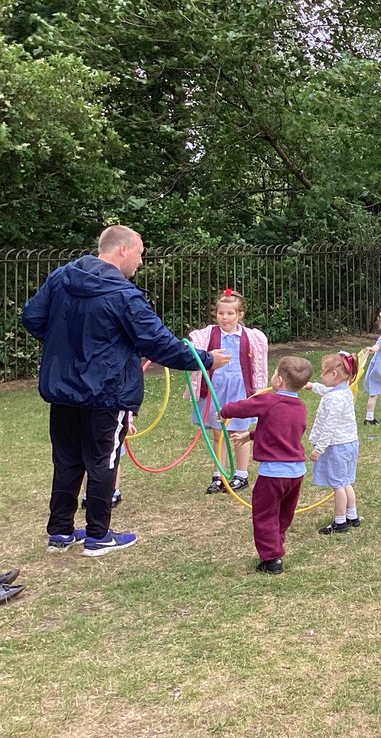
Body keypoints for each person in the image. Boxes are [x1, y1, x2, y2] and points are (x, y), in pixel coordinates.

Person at [22, 225, 230, 557]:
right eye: (140, 253)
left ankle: (60, 532)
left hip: (64, 389)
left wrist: (66, 348)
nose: (140, 261)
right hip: (106, 392)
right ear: (122, 250)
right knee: (103, 461)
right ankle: (97, 536)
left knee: (67, 460)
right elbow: (159, 343)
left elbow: (33, 317)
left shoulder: (63, 276)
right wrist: (206, 360)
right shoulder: (123, 294)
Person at [222, 356, 313, 573]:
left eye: (273, 373)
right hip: (296, 473)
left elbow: (243, 408)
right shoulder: (299, 406)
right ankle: (276, 544)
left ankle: (271, 559)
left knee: (264, 513)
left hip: (273, 474)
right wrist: (252, 435)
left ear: (279, 380)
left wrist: (224, 411)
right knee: (283, 513)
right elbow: (282, 431)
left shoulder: (269, 401)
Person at [189, 288, 269, 494]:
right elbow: (193, 343)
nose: (225, 317)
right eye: (221, 313)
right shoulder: (208, 335)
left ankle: (241, 475)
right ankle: (219, 475)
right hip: (216, 390)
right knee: (219, 434)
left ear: (240, 314)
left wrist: (258, 392)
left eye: (230, 313)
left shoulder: (252, 338)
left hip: (240, 391)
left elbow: (259, 366)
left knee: (240, 433)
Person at [306, 352, 362, 535]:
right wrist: (312, 386)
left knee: (338, 485)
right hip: (349, 444)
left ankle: (340, 522)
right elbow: (325, 390)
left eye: (323, 373)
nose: (320, 376)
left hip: (336, 447)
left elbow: (329, 427)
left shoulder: (334, 399)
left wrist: (318, 449)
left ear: (334, 375)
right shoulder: (342, 391)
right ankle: (352, 515)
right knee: (345, 482)